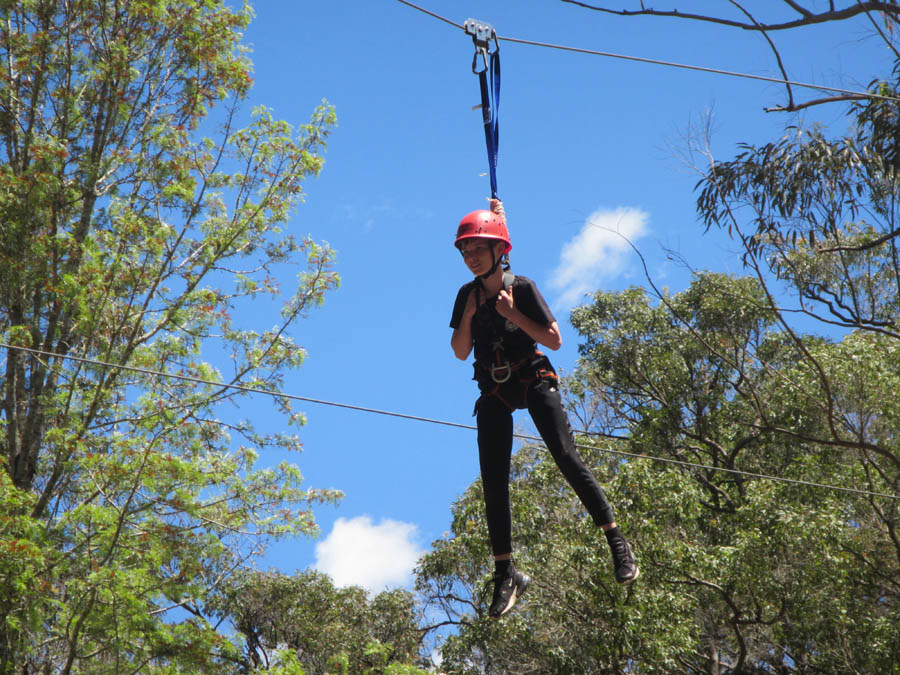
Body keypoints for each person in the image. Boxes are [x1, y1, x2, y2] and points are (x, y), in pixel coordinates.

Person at [449, 200, 639, 619]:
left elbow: (553, 340)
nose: (471, 257)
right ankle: (506, 574)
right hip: (494, 388)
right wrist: (469, 316)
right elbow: (460, 351)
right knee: (493, 480)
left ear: (499, 249)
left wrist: (512, 313)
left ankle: (617, 542)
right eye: (465, 251)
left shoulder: (522, 288)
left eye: (478, 248)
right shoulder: (467, 296)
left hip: (531, 378)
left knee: (566, 456)